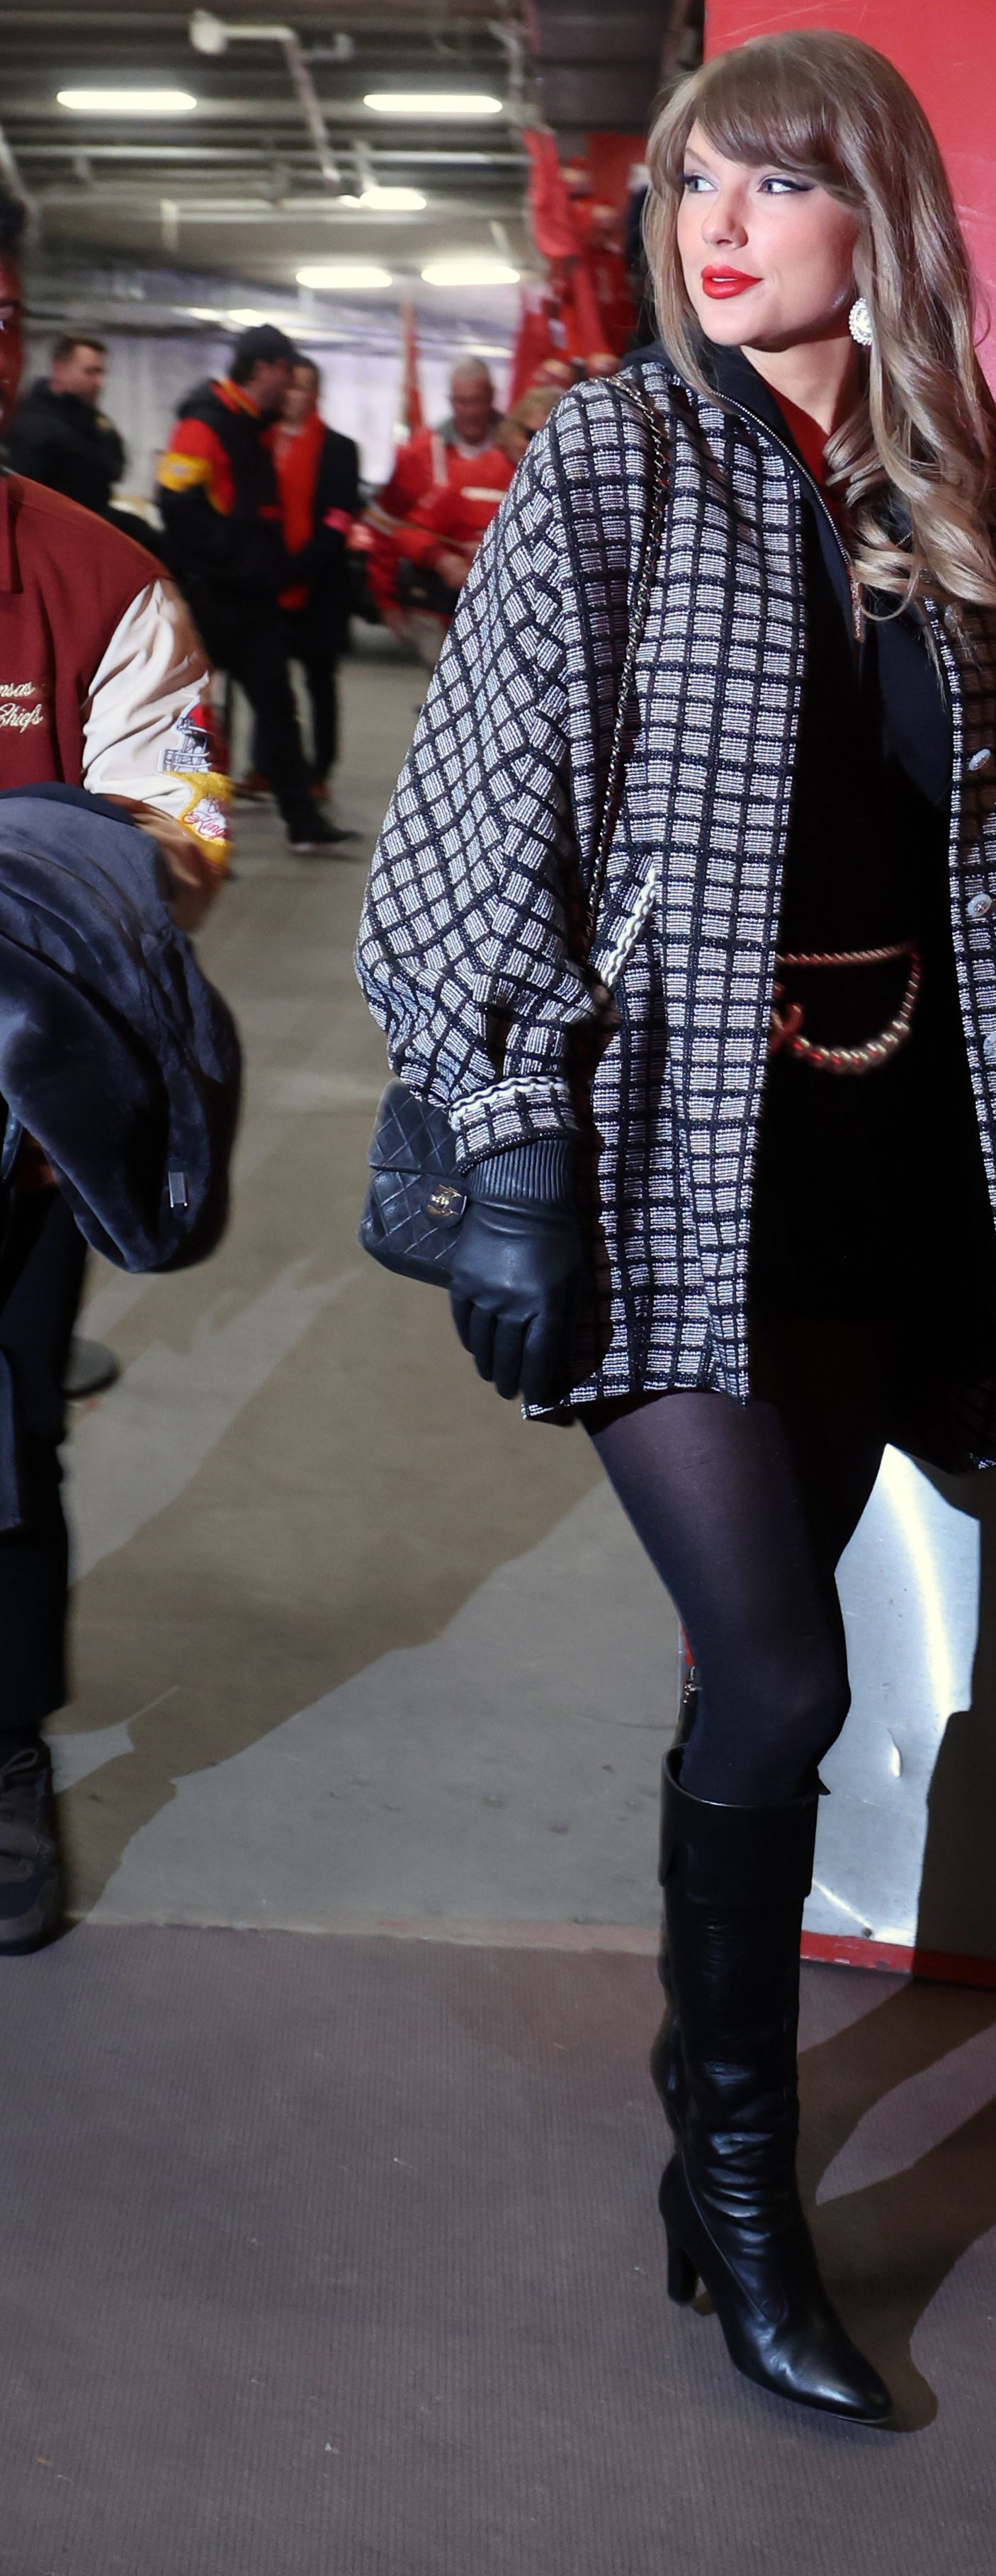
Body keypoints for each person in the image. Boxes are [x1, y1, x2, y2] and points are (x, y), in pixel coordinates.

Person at [358, 28, 996, 2427]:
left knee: (749, 1672)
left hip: (898, 1150)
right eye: (694, 181)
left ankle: (711, 2168)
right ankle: (736, 2175)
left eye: (774, 184)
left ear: (868, 218)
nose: (714, 223)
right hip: (673, 1150)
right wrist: (503, 1137)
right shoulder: (618, 451)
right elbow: (468, 826)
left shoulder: (950, 482)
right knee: (786, 1672)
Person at [0, 468, 238, 1953]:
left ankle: (5, 1751)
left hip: (16, 1130)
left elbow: (180, 837)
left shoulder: (99, 582)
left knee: (7, 1444)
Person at [156, 327, 353, 856]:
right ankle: (195, 829)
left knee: (277, 710)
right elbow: (176, 506)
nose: (290, 382)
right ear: (263, 368)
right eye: (286, 370)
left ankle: (303, 819)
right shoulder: (205, 422)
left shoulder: (253, 425)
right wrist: (236, 558)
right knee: (195, 717)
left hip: (251, 599)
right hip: (214, 597)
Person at [362, 354, 514, 662]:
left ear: (492, 398)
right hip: (435, 603)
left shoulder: (518, 450)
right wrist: (386, 599)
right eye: (461, 402)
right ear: (450, 400)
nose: (469, 412)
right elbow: (387, 527)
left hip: (503, 606)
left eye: (476, 401)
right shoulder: (419, 455)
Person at [273, 356, 361, 797]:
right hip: (269, 582)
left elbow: (340, 516)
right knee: (270, 682)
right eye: (288, 386)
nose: (293, 395)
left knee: (319, 682)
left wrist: (301, 565)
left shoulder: (340, 449)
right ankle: (268, 767)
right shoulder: (260, 441)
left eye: (302, 387)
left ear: (316, 394)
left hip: (320, 583)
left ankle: (321, 769)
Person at [4, 332, 159, 557]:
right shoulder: (34, 424)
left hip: (89, 523)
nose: (100, 382)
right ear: (59, 369)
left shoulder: (89, 419)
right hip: (57, 539)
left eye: (101, 372)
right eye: (90, 372)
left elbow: (115, 466)